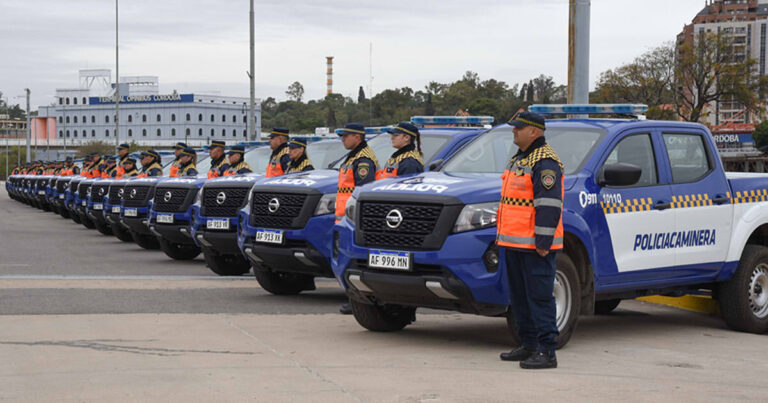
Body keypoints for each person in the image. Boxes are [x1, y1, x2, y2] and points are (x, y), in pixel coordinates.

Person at [497, 112, 564, 370]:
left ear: (534, 132)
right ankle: (528, 344)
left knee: (539, 297)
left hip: (536, 245)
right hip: (515, 242)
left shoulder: (545, 162)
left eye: (519, 128)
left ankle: (547, 351)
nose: (514, 132)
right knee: (519, 297)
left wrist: (544, 241)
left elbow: (548, 204)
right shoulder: (520, 159)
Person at [335, 123, 378, 315]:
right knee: (345, 259)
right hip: (344, 217)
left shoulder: (363, 160)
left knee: (352, 261)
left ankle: (357, 300)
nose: (343, 139)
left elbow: (362, 191)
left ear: (357, 138)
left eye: (346, 136)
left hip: (353, 220)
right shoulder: (353, 156)